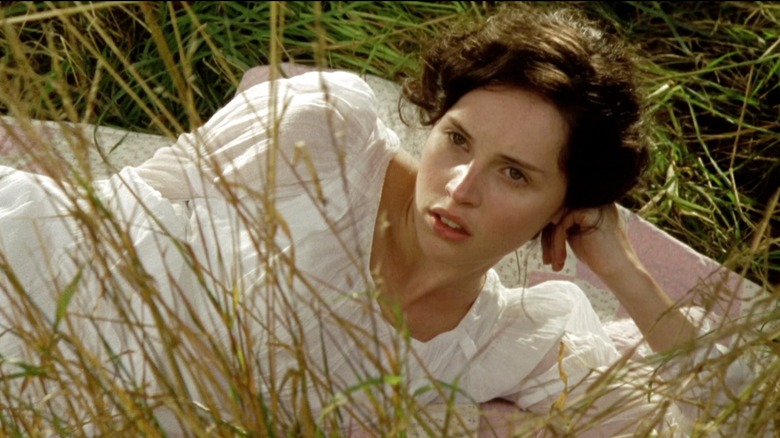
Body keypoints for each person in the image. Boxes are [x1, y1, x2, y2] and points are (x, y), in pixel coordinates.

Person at [0, 3, 748, 436]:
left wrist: (628, 275)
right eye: (456, 138)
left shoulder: (509, 339)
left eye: (514, 174)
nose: (457, 187)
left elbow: (730, 414)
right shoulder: (326, 127)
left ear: (567, 208)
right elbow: (125, 205)